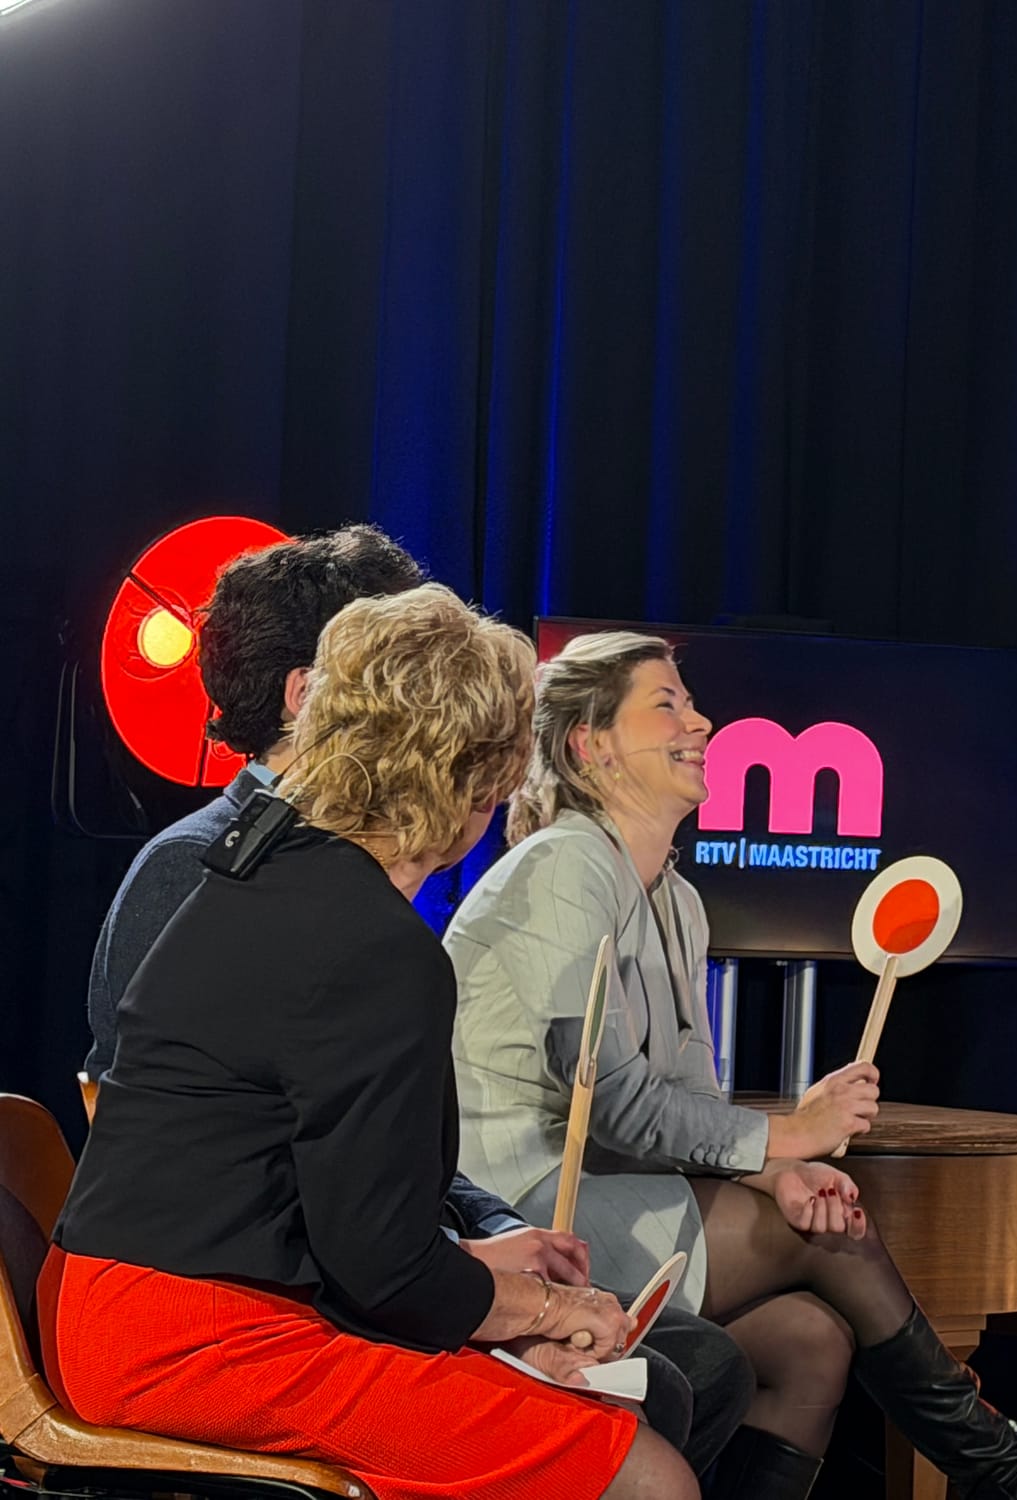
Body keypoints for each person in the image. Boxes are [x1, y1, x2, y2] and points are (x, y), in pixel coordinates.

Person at [447, 630, 1017, 1500]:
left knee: (810, 1343)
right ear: (592, 744)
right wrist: (792, 1135)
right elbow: (608, 1101)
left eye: (692, 703)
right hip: (528, 1209)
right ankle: (1015, 1475)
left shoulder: (679, 901)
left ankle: (1015, 1476)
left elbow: (687, 1101)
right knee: (829, 1238)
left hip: (617, 1189)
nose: (702, 722)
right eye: (668, 705)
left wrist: (779, 1174)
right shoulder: (564, 865)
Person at [78, 526, 752, 1471]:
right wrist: (541, 1310)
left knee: (628, 1401)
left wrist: (488, 1275)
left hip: (168, 1304)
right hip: (200, 1334)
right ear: (475, 778)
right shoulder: (370, 939)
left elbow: (339, 1216)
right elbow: (380, 1265)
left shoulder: (272, 871)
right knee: (646, 1471)